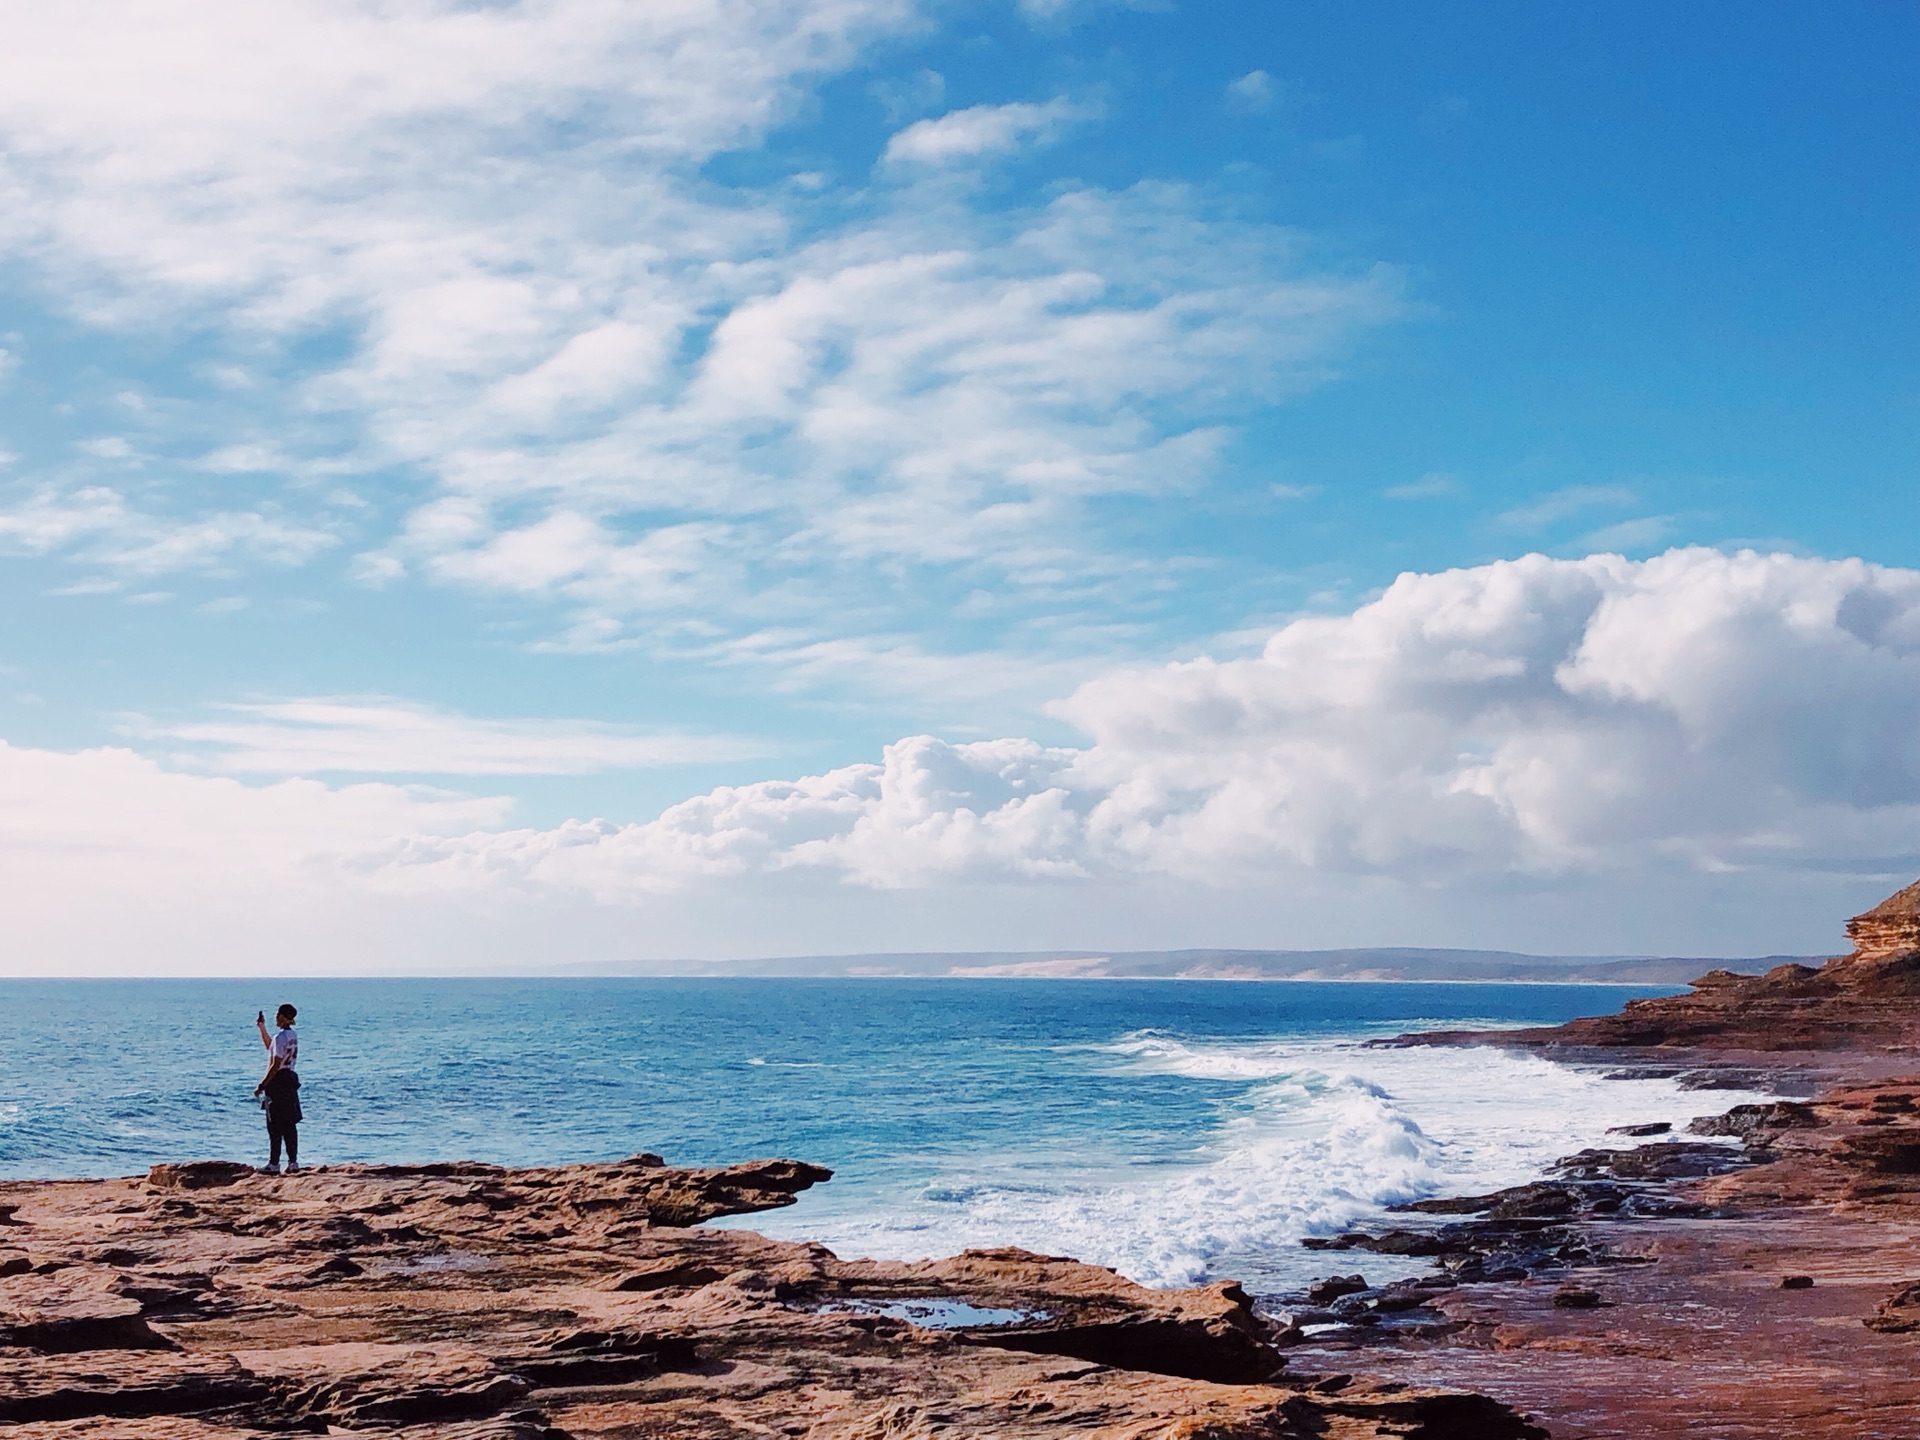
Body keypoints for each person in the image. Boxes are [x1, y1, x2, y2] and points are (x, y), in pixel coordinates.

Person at [253, 1004, 303, 1175]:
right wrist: (262, 1028)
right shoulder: (292, 1035)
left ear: (282, 1017)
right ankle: (293, 1162)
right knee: (290, 1124)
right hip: (290, 1078)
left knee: (274, 1124)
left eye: (277, 1015)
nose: (276, 1018)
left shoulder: (280, 1037)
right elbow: (270, 1046)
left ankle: (274, 1163)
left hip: (278, 1081)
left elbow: (275, 1062)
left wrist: (263, 1084)